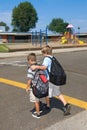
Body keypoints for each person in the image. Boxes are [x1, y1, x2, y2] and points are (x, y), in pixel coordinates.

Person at [31, 45, 71, 116]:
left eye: (43, 53)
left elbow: (44, 67)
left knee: (47, 92)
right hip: (56, 78)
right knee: (58, 93)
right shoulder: (53, 58)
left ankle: (47, 105)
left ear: (46, 52)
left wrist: (36, 66)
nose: (42, 54)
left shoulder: (46, 58)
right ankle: (66, 105)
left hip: (51, 79)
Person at [26, 53, 50, 119]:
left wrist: (27, 87)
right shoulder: (40, 66)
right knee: (46, 95)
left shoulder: (31, 69)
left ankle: (38, 113)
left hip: (36, 87)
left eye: (28, 60)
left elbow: (30, 79)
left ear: (30, 60)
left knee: (35, 100)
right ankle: (48, 105)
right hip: (44, 85)